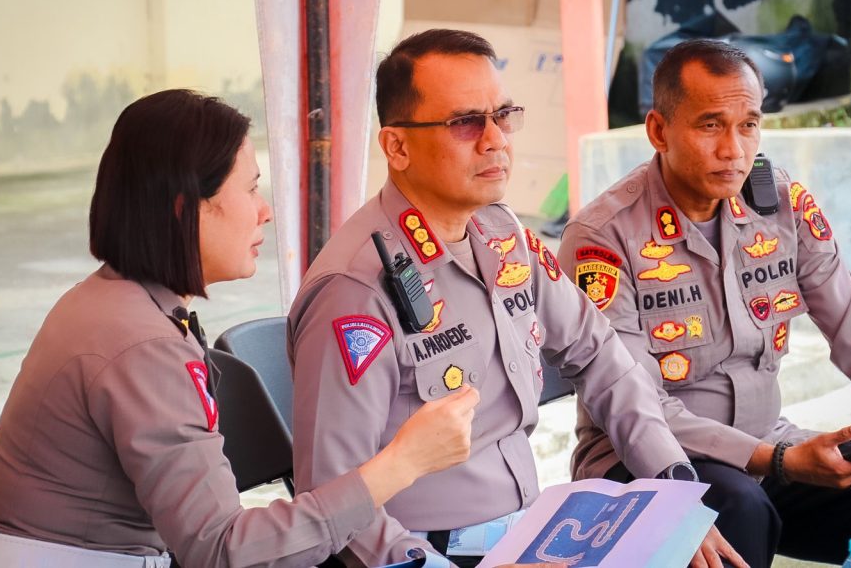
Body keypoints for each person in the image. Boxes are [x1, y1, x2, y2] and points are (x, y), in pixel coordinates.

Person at [287, 29, 745, 568]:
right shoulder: (356, 289)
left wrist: (672, 489)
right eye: (465, 122)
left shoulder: (501, 235)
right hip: (429, 550)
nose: (495, 140)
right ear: (397, 147)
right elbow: (337, 500)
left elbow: (601, 356)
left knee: (725, 525)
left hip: (530, 532)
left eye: (502, 116)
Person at [0, 89, 480, 568]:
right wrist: (402, 463)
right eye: (251, 188)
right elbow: (221, 550)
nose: (265, 212)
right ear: (184, 208)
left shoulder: (116, 302)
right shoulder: (140, 344)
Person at [558, 39, 851, 567]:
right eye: (710, 125)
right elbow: (634, 403)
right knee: (737, 506)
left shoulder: (782, 206)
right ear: (658, 131)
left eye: (748, 125)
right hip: (647, 464)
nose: (733, 150)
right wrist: (777, 460)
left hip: (772, 451)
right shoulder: (604, 237)